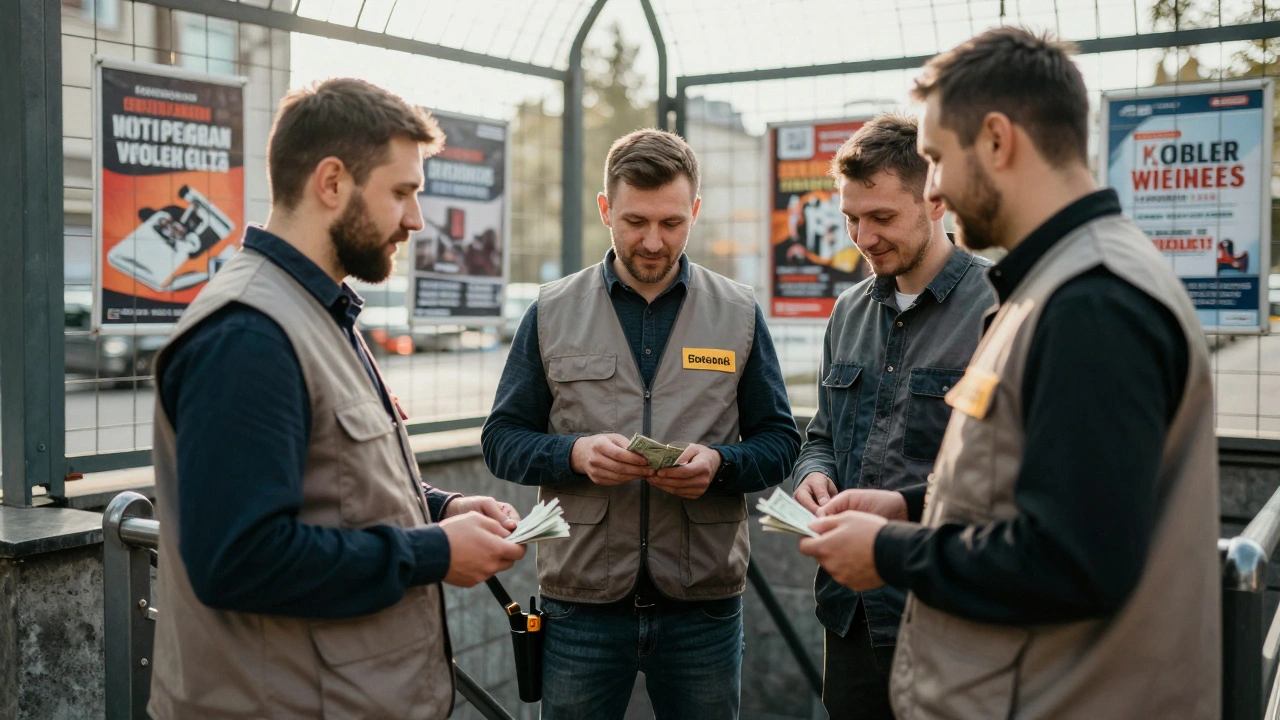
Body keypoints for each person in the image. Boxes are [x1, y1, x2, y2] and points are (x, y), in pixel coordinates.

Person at [800, 28, 1220, 718]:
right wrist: (909, 507)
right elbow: (1035, 490)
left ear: (997, 140)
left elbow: (1074, 559)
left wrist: (891, 551)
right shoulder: (1065, 283)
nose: (935, 184)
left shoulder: (1091, 302)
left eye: (938, 158)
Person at [147, 78, 526, 720]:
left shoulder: (316, 309)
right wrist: (436, 551)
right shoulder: (249, 335)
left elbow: (332, 482)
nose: (416, 219)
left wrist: (442, 508)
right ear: (331, 183)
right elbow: (239, 560)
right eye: (401, 193)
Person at [482, 128, 801, 720]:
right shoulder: (551, 311)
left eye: (672, 223)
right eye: (635, 222)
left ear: (695, 212)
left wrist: (721, 464)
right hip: (579, 606)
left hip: (703, 608)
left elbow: (781, 443)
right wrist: (575, 455)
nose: (654, 241)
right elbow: (501, 441)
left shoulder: (737, 312)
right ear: (606, 209)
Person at [790, 114, 993, 719]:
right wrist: (812, 472)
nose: (864, 237)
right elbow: (822, 434)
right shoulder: (847, 311)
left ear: (935, 202)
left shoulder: (998, 307)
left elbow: (1006, 473)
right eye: (851, 218)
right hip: (851, 614)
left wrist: (906, 507)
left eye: (882, 217)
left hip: (949, 614)